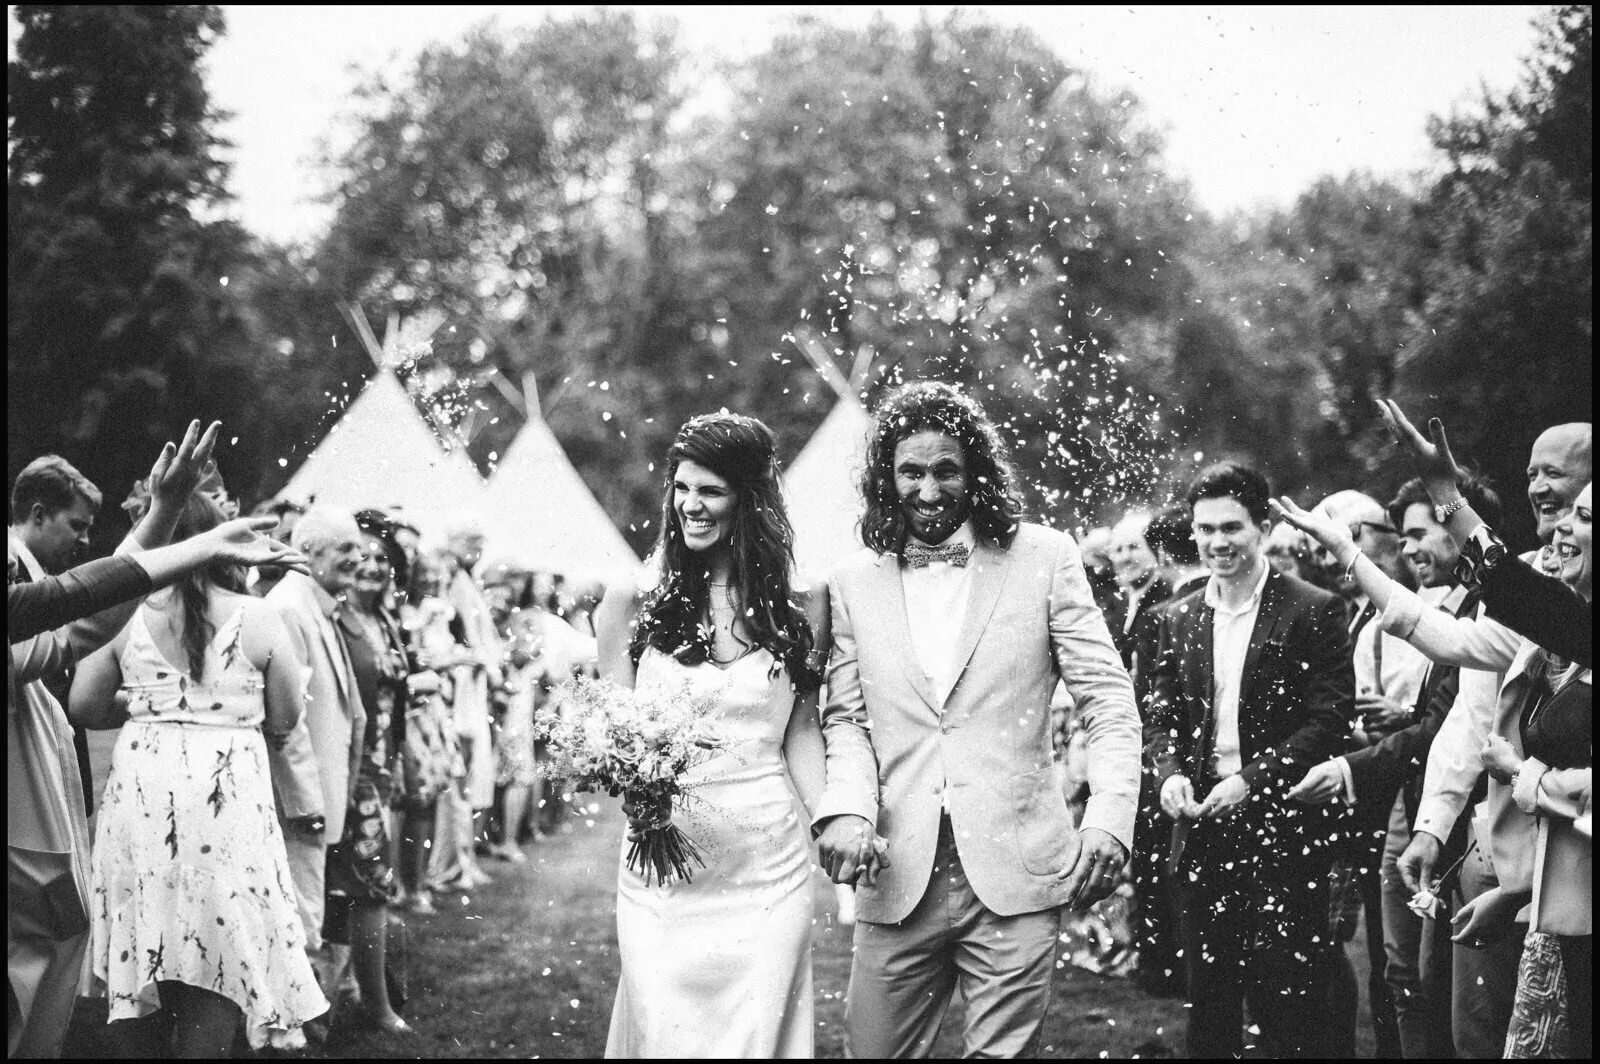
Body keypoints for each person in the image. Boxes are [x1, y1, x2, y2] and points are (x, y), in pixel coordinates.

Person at [812, 381, 1143, 1058]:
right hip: (896, 867)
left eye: (945, 472)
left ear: (976, 475)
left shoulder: (1046, 558)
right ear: (886, 476)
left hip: (1019, 864)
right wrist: (847, 809)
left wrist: (1109, 818)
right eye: (911, 471)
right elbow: (846, 719)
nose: (928, 491)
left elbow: (1108, 701)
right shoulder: (850, 581)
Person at [1314, 416, 1589, 1058]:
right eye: (1532, 474)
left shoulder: (1566, 610)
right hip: (1517, 864)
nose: (1544, 494)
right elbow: (1455, 643)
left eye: (1559, 477)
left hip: (1559, 866)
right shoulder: (1547, 596)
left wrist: (1528, 778)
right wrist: (1354, 555)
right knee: (1480, 1032)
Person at [594, 412, 827, 1058]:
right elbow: (612, 735)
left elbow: (801, 730)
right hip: (663, 867)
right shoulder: (631, 601)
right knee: (666, 1023)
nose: (691, 506)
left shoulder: (803, 604)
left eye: (712, 491)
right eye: (682, 488)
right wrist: (636, 790)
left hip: (767, 862)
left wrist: (832, 817)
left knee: (758, 1034)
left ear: (750, 500)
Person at [70, 493, 328, 1056]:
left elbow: (85, 705)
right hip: (226, 789)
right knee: (221, 938)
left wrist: (152, 704)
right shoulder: (258, 615)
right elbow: (284, 717)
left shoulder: (125, 615)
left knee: (148, 932)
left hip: (145, 783)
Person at [8, 420, 230, 1058]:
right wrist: (189, 534)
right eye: (74, 525)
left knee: (57, 935)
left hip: (39, 800)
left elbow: (85, 598)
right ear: (37, 512)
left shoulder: (30, 576)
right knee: (47, 938)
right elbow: (82, 618)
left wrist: (163, 513)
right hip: (20, 812)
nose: (82, 541)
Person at [1285, 473, 1503, 1059]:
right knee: (1404, 975)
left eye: (1417, 535)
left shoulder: (1495, 610)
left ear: (1460, 530)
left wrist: (1351, 768)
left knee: (1445, 989)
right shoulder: (1439, 607)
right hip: (1415, 810)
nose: (1408, 550)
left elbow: (1442, 723)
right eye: (1401, 537)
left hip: (1474, 825)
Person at [1144, 461, 1354, 1058]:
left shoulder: (1313, 608)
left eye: (1231, 527)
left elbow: (1328, 719)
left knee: (1289, 999)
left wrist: (1251, 781)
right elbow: (1157, 717)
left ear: (1262, 526)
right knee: (1208, 1001)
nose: (1217, 542)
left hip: (1283, 826)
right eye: (1205, 528)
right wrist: (1170, 774)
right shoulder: (1175, 617)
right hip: (1201, 829)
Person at [265, 506, 369, 1035]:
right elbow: (286, 723)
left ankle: (303, 1026)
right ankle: (289, 1035)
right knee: (299, 914)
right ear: (307, 553)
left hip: (324, 793)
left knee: (312, 909)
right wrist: (307, 802)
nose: (360, 557)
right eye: (345, 548)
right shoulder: (287, 607)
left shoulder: (318, 605)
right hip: (297, 800)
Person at [328, 511, 414, 1033]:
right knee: (372, 885)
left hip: (381, 768)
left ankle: (358, 989)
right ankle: (376, 1008)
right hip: (351, 771)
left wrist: (397, 765)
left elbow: (394, 704)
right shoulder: (337, 622)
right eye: (362, 555)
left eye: (383, 558)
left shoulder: (383, 620)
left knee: (364, 884)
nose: (372, 566)